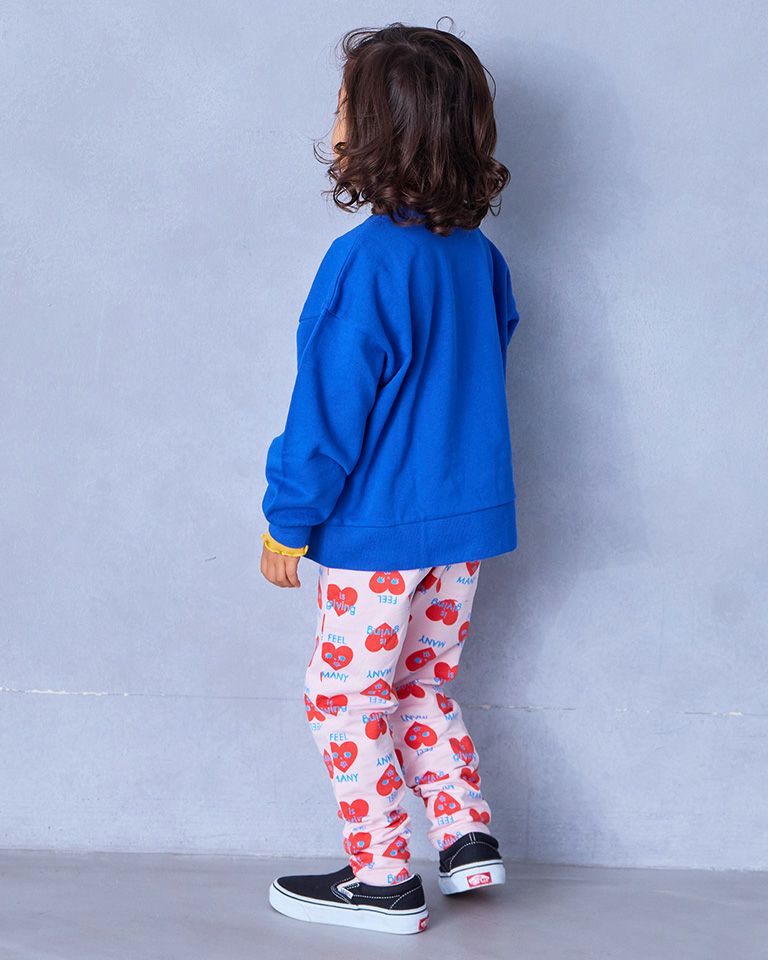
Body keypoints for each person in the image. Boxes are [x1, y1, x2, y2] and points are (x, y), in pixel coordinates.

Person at [260, 21, 520, 935]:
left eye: (344, 105)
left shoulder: (364, 261)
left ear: (375, 131)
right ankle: (465, 836)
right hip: (465, 528)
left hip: (380, 533)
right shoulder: (478, 258)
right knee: (422, 683)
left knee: (345, 696)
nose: (334, 120)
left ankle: (382, 879)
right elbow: (483, 366)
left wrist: (288, 518)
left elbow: (326, 412)